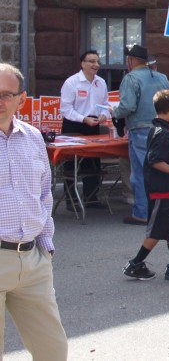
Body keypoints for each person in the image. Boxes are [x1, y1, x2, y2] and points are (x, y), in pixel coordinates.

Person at [0, 63, 68, 360]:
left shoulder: (33, 137)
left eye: (6, 94)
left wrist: (45, 247)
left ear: (21, 99)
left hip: (32, 261)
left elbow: (44, 193)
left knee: (52, 351)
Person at [122, 90, 169, 282]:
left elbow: (159, 154)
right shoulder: (162, 133)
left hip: (164, 189)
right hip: (161, 189)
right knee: (157, 230)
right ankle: (135, 264)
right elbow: (155, 161)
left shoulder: (155, 129)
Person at [112, 44, 169, 225]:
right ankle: (160, 211)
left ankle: (142, 213)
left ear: (130, 61)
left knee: (140, 172)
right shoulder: (162, 78)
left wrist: (114, 112)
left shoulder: (131, 78)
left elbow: (127, 106)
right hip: (162, 128)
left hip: (140, 129)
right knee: (159, 171)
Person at [59, 49, 110, 211]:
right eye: (91, 61)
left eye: (97, 62)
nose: (95, 65)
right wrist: (83, 119)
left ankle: (91, 198)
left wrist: (103, 115)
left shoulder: (101, 82)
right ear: (83, 64)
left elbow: (106, 105)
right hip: (74, 125)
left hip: (94, 125)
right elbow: (65, 109)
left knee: (93, 162)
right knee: (71, 164)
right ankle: (71, 200)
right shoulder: (72, 82)